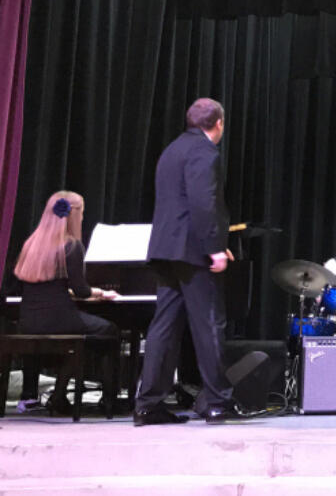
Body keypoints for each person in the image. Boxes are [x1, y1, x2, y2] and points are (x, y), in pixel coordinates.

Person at [135, 98, 239, 426]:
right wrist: (215, 248)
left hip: (166, 248)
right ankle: (218, 402)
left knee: (163, 326)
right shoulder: (205, 152)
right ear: (218, 123)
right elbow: (203, 202)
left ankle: (148, 404)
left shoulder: (172, 150)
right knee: (209, 324)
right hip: (193, 251)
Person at [12, 191, 119, 415]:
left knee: (79, 338)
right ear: (74, 216)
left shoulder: (32, 243)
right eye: (81, 214)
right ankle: (105, 399)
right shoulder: (71, 246)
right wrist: (100, 293)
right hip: (59, 319)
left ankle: (43, 397)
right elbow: (81, 291)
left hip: (29, 321)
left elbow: (47, 286)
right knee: (109, 330)